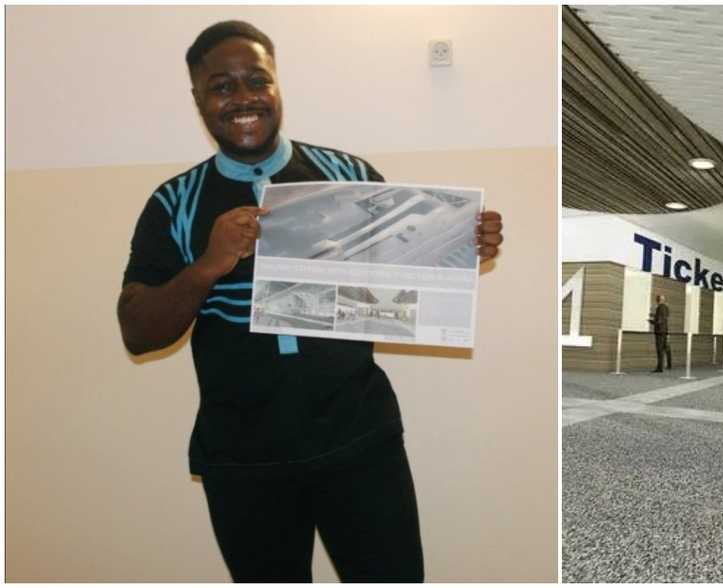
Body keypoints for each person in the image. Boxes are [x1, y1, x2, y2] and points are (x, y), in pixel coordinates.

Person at [116, 21, 504, 582]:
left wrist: (460, 245)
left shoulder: (347, 176)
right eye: (222, 86)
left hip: (359, 440)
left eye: (257, 80)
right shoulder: (173, 202)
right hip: (243, 457)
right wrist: (207, 265)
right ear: (197, 98)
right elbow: (137, 331)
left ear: (277, 87)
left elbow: (401, 284)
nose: (243, 98)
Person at [648, 294, 671, 372]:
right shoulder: (666, 308)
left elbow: (659, 321)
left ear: (658, 300)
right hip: (665, 331)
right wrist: (654, 315)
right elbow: (664, 317)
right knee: (666, 348)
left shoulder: (659, 308)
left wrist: (651, 321)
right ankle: (669, 365)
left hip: (659, 332)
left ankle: (659, 368)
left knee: (659, 350)